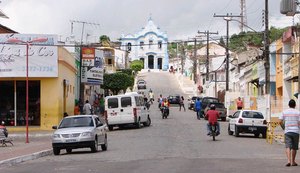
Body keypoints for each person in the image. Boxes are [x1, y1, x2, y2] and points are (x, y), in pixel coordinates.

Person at [279, 99, 300, 167]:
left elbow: (280, 121)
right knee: (294, 147)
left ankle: (288, 161)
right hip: (296, 131)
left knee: (288, 146)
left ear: (288, 105)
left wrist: (284, 128)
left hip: (287, 131)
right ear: (295, 105)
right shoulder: (298, 112)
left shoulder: (284, 112)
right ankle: (293, 162)